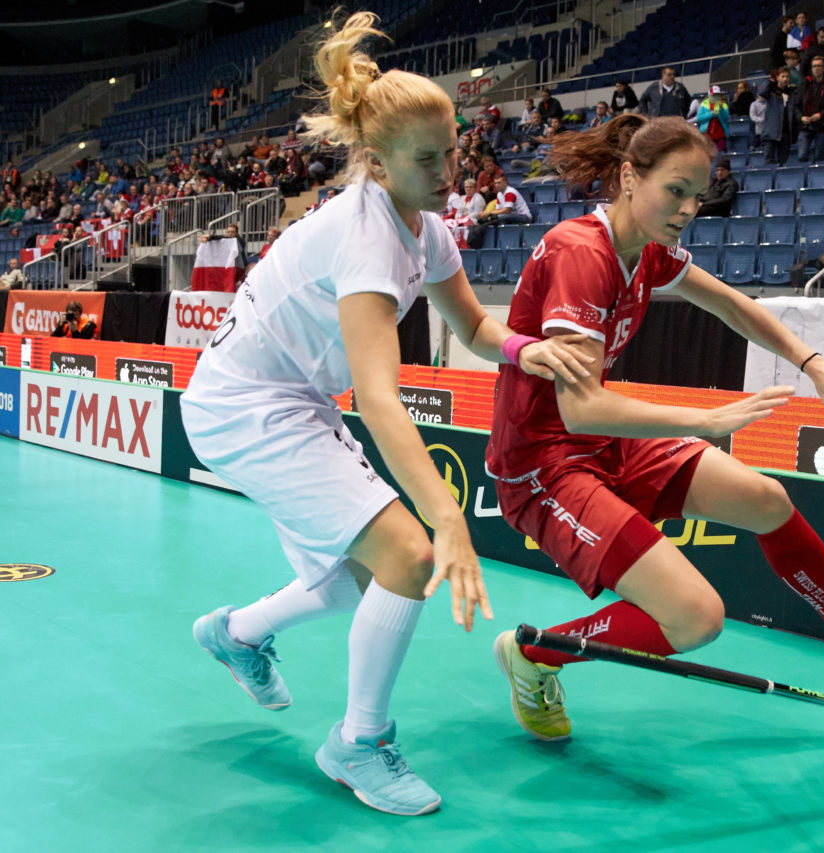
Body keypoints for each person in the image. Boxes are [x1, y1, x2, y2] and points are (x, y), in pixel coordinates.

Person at [181, 12, 592, 818]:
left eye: (452, 152)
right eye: (426, 159)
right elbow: (377, 397)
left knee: (362, 581)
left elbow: (474, 327)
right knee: (407, 556)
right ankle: (359, 743)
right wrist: (447, 518)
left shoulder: (425, 228)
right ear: (377, 162)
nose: (447, 172)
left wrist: (527, 350)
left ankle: (237, 632)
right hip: (246, 406)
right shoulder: (366, 236)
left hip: (291, 398)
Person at [485, 114, 824, 743]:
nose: (689, 209)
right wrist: (704, 420)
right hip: (544, 464)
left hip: (606, 444)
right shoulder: (583, 253)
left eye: (697, 195)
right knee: (695, 618)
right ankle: (534, 653)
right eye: (675, 190)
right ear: (629, 178)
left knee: (765, 500)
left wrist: (813, 363)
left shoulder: (648, 250)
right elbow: (580, 408)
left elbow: (732, 304)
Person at [795, 57, 824, 163]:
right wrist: (801, 117)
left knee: (818, 155)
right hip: (805, 126)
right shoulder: (805, 84)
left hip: (822, 126)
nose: (816, 69)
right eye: (814, 66)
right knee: (802, 155)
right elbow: (796, 105)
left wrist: (821, 115)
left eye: (819, 66)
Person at [695, 85, 731, 152]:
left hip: (720, 134)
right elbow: (699, 118)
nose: (716, 96)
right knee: (708, 154)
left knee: (720, 154)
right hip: (706, 134)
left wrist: (721, 109)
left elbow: (726, 119)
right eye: (714, 94)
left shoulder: (723, 105)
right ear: (710, 95)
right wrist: (711, 114)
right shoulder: (704, 104)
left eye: (717, 94)